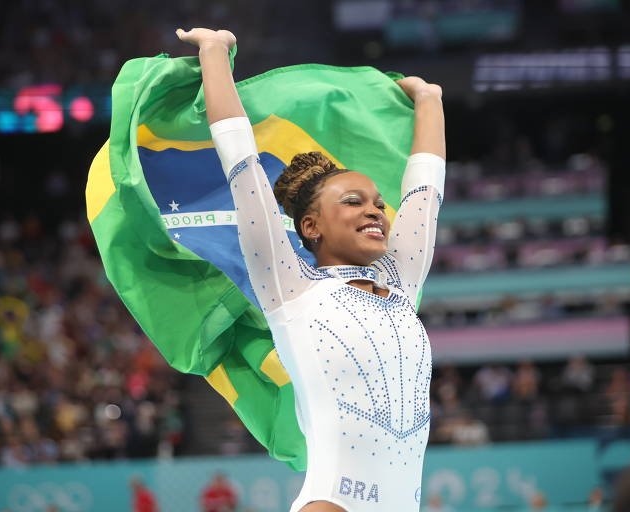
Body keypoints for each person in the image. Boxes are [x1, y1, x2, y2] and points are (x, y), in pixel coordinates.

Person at [177, 25, 445, 512]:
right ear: (311, 226)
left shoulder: (402, 281)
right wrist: (215, 53)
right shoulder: (290, 286)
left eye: (378, 203)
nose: (374, 210)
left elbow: (426, 190)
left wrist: (430, 101)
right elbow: (241, 162)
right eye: (353, 201)